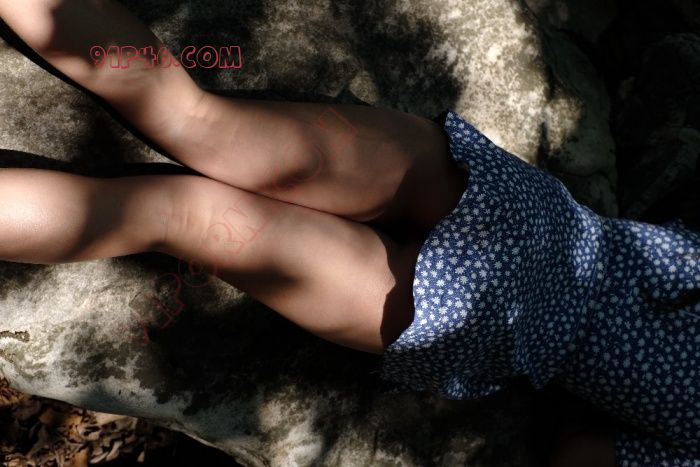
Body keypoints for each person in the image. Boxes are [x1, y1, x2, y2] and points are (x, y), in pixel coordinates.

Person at [0, 1, 698, 465]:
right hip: (476, 324)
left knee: (194, 117)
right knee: (175, 214)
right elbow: (583, 457)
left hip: (525, 216)